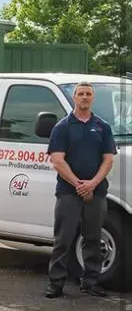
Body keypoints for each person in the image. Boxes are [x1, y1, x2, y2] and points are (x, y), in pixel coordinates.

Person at [45, 81, 117, 298]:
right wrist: (79, 184)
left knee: (93, 238)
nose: (84, 97)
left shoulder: (103, 127)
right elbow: (57, 160)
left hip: (96, 192)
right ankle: (56, 283)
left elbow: (108, 159)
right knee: (63, 239)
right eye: (80, 94)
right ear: (74, 97)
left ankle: (91, 282)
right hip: (69, 192)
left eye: (88, 94)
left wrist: (92, 183)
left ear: (92, 98)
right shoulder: (63, 127)